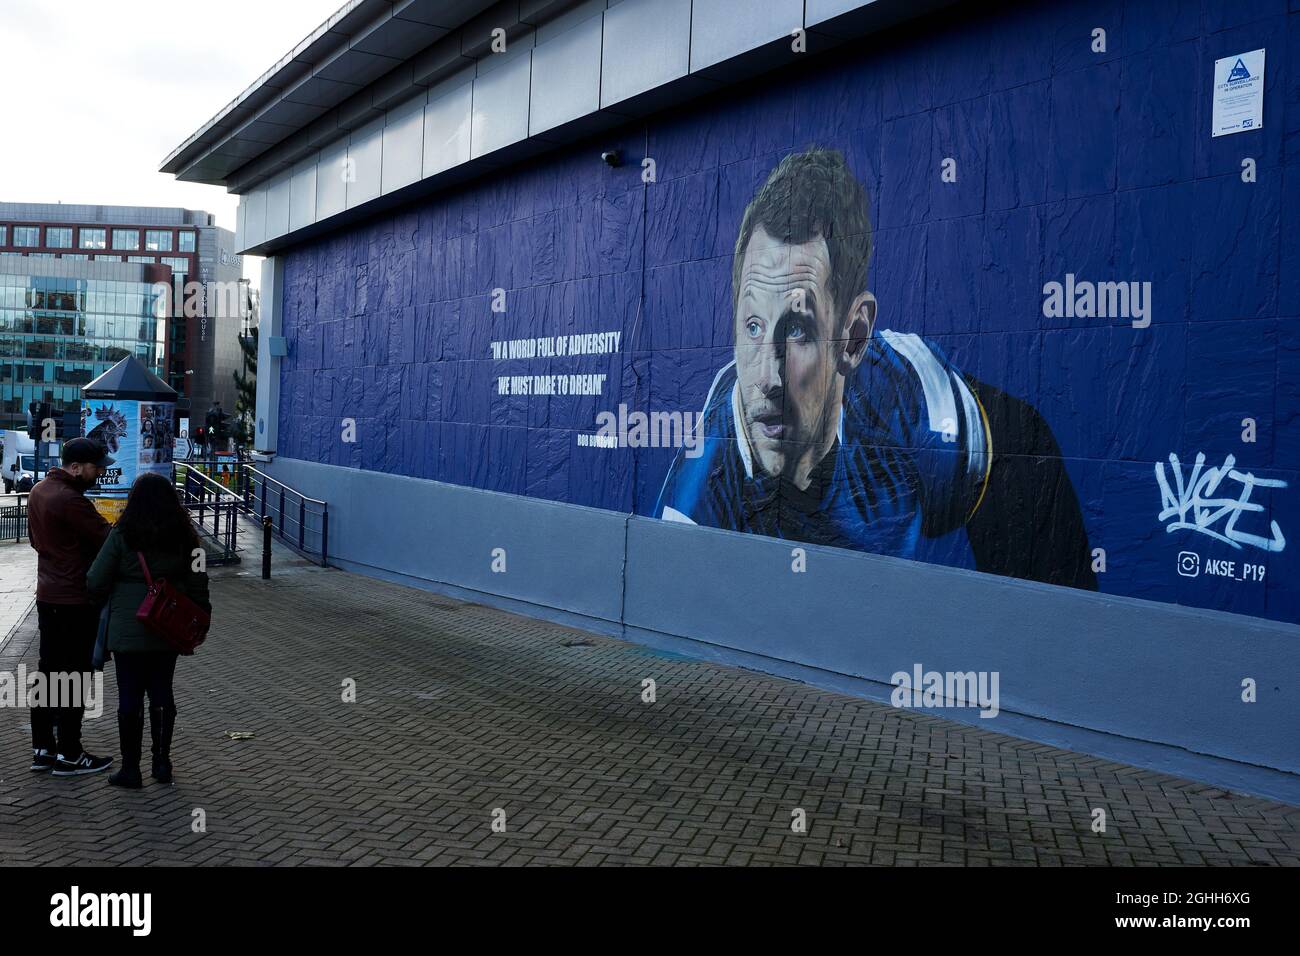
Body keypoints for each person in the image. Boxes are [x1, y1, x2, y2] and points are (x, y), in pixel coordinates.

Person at [655, 148, 1096, 589]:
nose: (768, 378)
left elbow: (1027, 454)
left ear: (854, 337)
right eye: (753, 325)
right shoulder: (703, 489)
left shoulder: (913, 403)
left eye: (798, 332)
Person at [86, 472, 210, 788]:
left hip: (128, 629)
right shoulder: (186, 537)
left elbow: (95, 578)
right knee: (162, 691)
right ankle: (162, 763)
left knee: (129, 696)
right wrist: (200, 617)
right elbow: (199, 581)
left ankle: (130, 769)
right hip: (168, 626)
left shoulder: (122, 533)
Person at [26, 437, 114, 776]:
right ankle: (71, 753)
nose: (99, 473)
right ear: (75, 467)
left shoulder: (39, 491)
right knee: (75, 674)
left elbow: (36, 541)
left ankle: (43, 748)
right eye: (95, 468)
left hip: (48, 595)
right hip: (76, 598)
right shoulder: (71, 500)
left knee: (48, 672)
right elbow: (107, 539)